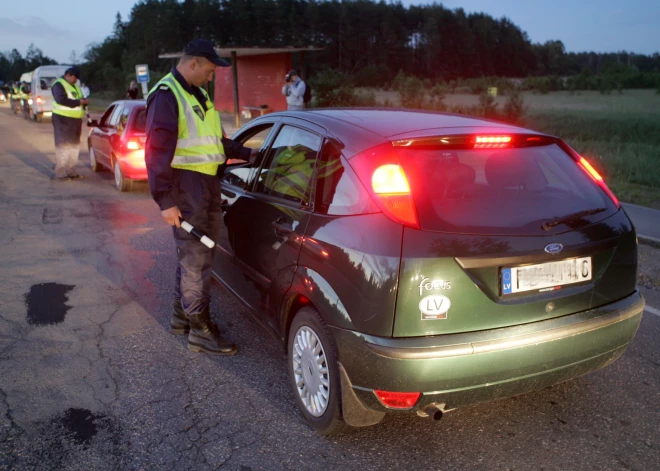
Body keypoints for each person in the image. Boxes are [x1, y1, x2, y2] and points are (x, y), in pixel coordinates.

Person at [145, 39, 258, 356]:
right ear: (193, 63)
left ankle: (183, 317)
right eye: (209, 70)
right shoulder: (168, 95)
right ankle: (200, 331)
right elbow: (155, 152)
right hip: (186, 187)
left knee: (195, 257)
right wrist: (165, 200)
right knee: (196, 260)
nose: (211, 77)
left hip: (207, 185)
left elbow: (217, 143)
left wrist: (251, 153)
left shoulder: (200, 96)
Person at [51, 67, 89, 181]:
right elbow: (61, 100)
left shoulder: (76, 85)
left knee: (74, 145)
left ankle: (71, 170)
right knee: (63, 145)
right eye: (75, 77)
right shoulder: (58, 84)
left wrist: (84, 101)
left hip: (75, 120)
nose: (76, 80)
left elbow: (79, 97)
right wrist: (79, 102)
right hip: (62, 119)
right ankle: (60, 172)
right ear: (68, 75)